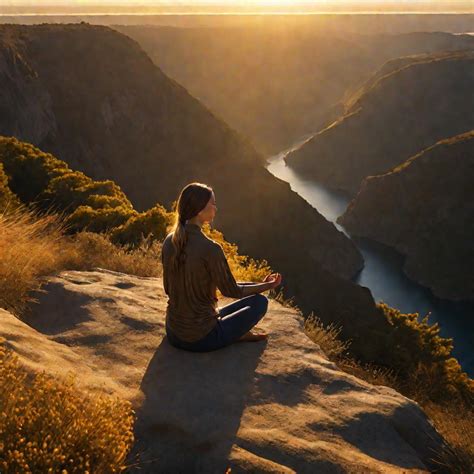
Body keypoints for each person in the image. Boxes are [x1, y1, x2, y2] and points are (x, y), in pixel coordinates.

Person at [161, 182, 282, 352]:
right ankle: (234, 334)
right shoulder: (210, 248)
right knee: (260, 302)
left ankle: (231, 331)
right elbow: (232, 290)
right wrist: (267, 286)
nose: (216, 209)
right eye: (213, 204)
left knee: (227, 308)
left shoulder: (169, 241)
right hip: (201, 338)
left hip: (173, 332)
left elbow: (167, 288)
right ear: (200, 209)